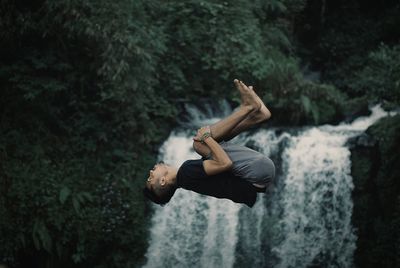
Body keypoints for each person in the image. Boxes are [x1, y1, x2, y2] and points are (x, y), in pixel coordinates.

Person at [143, 79, 275, 207]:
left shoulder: (188, 180)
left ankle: (258, 116)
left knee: (206, 146)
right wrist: (206, 137)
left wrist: (210, 141)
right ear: (162, 181)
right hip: (256, 171)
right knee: (199, 144)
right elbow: (225, 163)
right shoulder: (187, 172)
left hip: (261, 177)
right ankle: (247, 108)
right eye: (150, 178)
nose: (150, 172)